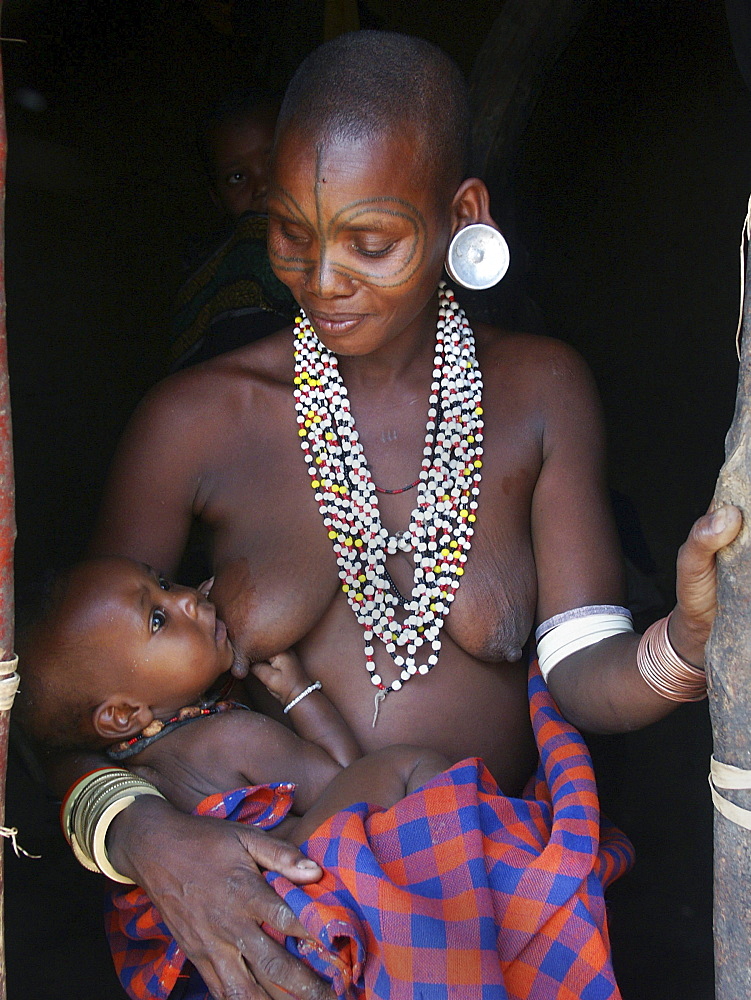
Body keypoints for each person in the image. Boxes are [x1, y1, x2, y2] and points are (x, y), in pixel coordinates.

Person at [46, 30, 741, 1000]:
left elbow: (582, 676)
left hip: (478, 907)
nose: (322, 279)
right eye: (290, 231)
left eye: (370, 241)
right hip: (276, 908)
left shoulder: (541, 393)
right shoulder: (196, 421)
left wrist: (686, 640)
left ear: (462, 215)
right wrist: (153, 837)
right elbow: (61, 707)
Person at [20, 556, 633, 1000]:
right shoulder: (228, 734)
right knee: (405, 765)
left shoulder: (140, 765)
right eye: (157, 619)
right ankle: (502, 852)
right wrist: (301, 697)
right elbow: (339, 774)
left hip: (228, 940)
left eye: (162, 582)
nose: (185, 597)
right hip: (295, 886)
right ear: (123, 714)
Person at [170, 89, 297, 370]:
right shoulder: (235, 266)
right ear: (217, 198)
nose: (262, 186)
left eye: (273, 160)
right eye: (237, 177)